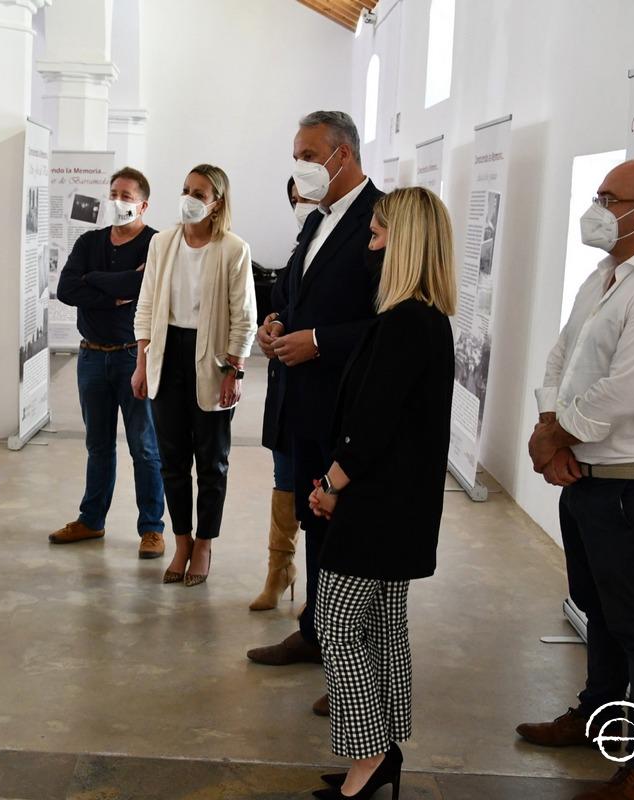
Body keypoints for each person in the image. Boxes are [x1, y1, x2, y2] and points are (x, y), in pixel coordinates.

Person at [517, 157, 634, 800]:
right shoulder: (606, 275)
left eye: (608, 197)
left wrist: (550, 440)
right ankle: (597, 713)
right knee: (598, 608)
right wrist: (552, 426)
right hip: (589, 475)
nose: (596, 207)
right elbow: (562, 355)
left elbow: (618, 397)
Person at [307, 186, 456, 799]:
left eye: (375, 235)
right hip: (402, 508)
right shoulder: (427, 320)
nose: (369, 246)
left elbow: (371, 426)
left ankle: (368, 757)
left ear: (405, 243)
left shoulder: (403, 325)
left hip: (376, 507)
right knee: (384, 626)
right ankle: (386, 750)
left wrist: (330, 484)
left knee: (338, 629)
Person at [247, 111, 385, 718]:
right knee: (316, 523)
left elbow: (392, 324)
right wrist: (277, 320)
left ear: (343, 154)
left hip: (347, 407)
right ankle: (317, 633)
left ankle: (356, 663)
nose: (299, 164)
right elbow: (293, 292)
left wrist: (320, 341)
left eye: (307, 152)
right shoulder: (318, 219)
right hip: (303, 405)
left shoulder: (382, 219)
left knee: (349, 538)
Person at [132, 164, 255, 586]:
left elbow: (244, 318)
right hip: (167, 355)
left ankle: (205, 542)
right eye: (185, 189)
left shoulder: (233, 250)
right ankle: (181, 540)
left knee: (212, 460)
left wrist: (234, 371)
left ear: (217, 201)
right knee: (172, 459)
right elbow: (146, 306)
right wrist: (141, 362)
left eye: (199, 193)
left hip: (213, 360)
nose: (189, 197)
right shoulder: (162, 244)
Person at [49, 167, 166, 558]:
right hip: (91, 355)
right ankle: (91, 520)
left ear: (144, 204)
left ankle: (152, 528)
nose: (118, 201)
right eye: (114, 193)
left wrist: (93, 282)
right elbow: (65, 288)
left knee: (144, 447)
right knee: (98, 445)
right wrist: (111, 290)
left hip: (134, 356)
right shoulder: (89, 241)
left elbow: (142, 287)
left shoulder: (156, 244)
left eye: (127, 195)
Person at [248, 177, 313, 611]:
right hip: (286, 383)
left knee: (318, 487)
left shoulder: (353, 242)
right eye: (293, 199)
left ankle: (321, 594)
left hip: (320, 385)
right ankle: (279, 569)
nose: (299, 204)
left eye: (304, 195)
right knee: (284, 478)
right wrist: (270, 323)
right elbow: (285, 303)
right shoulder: (301, 247)